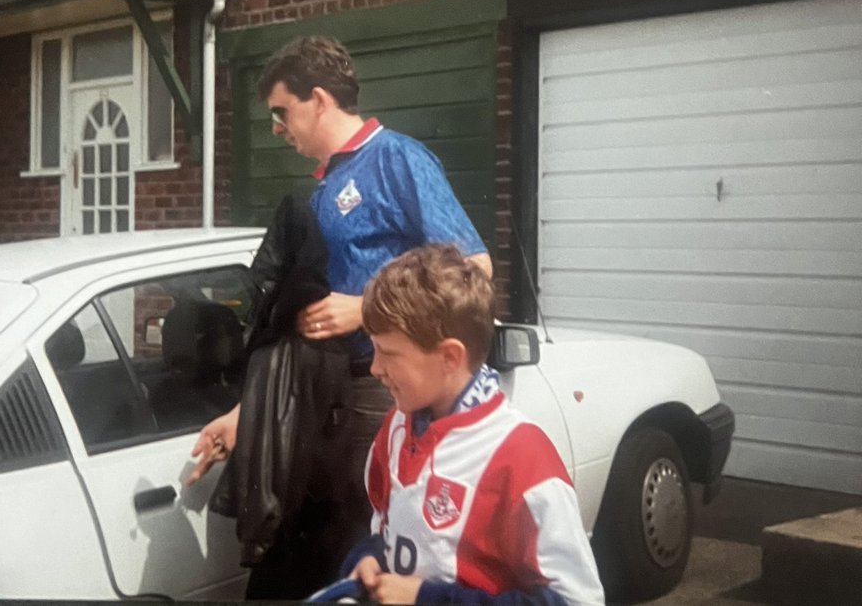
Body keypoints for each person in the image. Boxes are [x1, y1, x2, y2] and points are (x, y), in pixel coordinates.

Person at [188, 36, 491, 590]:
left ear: (320, 100)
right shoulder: (321, 190)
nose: (276, 128)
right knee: (308, 559)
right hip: (320, 393)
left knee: (361, 551)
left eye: (282, 111)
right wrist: (245, 414)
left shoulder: (396, 158)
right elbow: (297, 329)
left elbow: (474, 267)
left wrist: (368, 309)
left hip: (382, 395)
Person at [344, 244, 605, 605]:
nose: (375, 368)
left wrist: (428, 599)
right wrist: (370, 558)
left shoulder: (521, 458)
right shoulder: (396, 428)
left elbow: (578, 601)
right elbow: (388, 528)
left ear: (450, 357)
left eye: (388, 353)